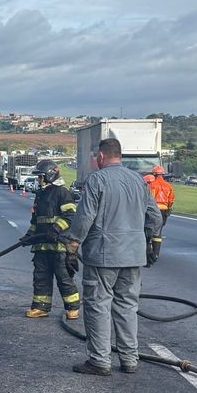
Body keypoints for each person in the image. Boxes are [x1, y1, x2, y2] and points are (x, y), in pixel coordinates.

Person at [64, 138, 163, 376]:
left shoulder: (97, 179)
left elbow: (85, 216)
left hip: (104, 255)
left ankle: (99, 360)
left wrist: (73, 244)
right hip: (134, 254)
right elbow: (155, 217)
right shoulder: (139, 181)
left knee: (98, 305)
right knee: (127, 306)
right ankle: (129, 359)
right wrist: (150, 242)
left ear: (101, 157)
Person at [20, 159, 81, 321]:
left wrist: (56, 229)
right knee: (41, 277)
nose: (38, 180)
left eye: (40, 177)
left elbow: (70, 215)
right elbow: (36, 220)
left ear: (50, 175)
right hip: (42, 245)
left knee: (63, 277)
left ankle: (73, 308)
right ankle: (41, 307)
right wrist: (29, 236)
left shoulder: (62, 192)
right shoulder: (41, 194)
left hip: (60, 245)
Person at [144, 166, 176, 232]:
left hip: (153, 209)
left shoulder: (152, 185)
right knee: (160, 229)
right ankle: (157, 239)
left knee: (148, 226)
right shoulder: (169, 186)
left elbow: (149, 198)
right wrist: (169, 208)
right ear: (163, 174)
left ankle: (148, 240)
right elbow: (171, 199)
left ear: (154, 174)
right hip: (164, 209)